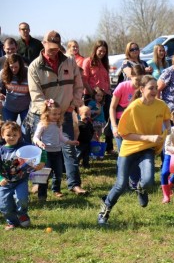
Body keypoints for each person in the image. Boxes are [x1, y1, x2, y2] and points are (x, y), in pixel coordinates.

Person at [97, 75, 171, 225]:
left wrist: (168, 132)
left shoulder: (161, 105)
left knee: (149, 180)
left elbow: (167, 121)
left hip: (148, 149)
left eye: (156, 88)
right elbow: (125, 134)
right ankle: (104, 211)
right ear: (142, 89)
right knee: (121, 184)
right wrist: (148, 138)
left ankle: (141, 188)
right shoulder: (134, 107)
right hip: (130, 148)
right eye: (151, 88)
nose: (155, 91)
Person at [24, 30, 86, 195]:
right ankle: (38, 183)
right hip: (43, 115)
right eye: (50, 47)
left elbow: (79, 86)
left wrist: (74, 104)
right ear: (43, 44)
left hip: (65, 112)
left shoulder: (70, 62)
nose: (53, 51)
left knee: (68, 148)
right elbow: (36, 96)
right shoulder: (34, 67)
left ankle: (74, 184)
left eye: (56, 47)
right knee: (40, 152)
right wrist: (48, 110)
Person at [0, 121, 45, 230]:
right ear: (2, 135)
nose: (11, 137)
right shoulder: (1, 151)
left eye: (15, 135)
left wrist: (41, 163)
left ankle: (22, 214)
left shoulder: (24, 147)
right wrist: (0, 178)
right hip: (5, 183)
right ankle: (12, 222)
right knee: (4, 205)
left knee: (22, 199)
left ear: (19, 135)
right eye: (8, 135)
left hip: (20, 181)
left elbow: (42, 152)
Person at [32, 99, 80, 200]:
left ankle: (56, 190)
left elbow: (61, 137)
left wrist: (70, 142)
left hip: (57, 152)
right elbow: (35, 137)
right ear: (47, 113)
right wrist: (39, 142)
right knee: (44, 175)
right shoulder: (43, 124)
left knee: (58, 173)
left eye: (58, 114)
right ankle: (42, 195)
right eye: (54, 114)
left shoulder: (58, 124)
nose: (57, 116)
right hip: (46, 153)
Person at [81, 40, 114, 153]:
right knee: (90, 122)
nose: (102, 53)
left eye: (104, 51)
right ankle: (89, 147)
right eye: (100, 51)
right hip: (91, 96)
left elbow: (106, 79)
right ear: (95, 50)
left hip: (105, 96)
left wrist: (109, 91)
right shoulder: (88, 61)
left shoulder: (104, 63)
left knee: (106, 121)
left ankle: (108, 147)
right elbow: (84, 79)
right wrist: (92, 94)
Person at [110, 65, 146, 151]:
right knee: (122, 149)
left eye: (141, 80)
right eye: (137, 79)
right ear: (131, 76)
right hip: (119, 120)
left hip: (135, 122)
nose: (139, 83)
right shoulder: (122, 86)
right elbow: (112, 107)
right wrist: (114, 126)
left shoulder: (144, 89)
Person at [0, 54, 30, 123]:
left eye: (16, 67)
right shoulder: (3, 73)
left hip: (25, 108)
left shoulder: (28, 72)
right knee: (9, 130)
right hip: (9, 107)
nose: (13, 69)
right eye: (11, 67)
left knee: (25, 132)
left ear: (21, 66)